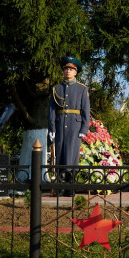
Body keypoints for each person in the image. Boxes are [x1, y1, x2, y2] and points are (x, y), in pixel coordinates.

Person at [48, 56, 90, 194]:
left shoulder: (82, 89)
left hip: (75, 126)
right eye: (66, 68)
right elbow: (52, 110)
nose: (68, 71)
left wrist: (84, 128)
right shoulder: (57, 89)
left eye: (71, 69)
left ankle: (70, 188)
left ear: (75, 72)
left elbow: (85, 110)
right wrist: (52, 127)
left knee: (71, 156)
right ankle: (60, 188)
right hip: (60, 125)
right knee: (59, 155)